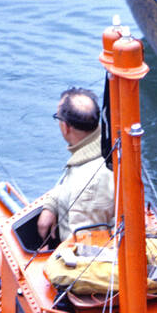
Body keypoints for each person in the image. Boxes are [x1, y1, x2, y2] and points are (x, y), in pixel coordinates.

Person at [36, 89, 115, 245]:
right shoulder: (100, 147)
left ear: (66, 127)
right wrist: (51, 205)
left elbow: (84, 250)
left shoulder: (88, 186)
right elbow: (70, 183)